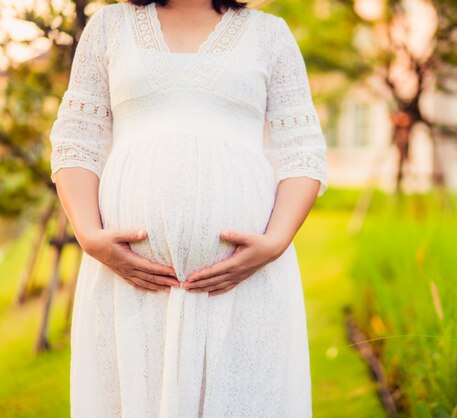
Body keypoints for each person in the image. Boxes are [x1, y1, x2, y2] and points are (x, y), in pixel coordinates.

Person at [48, 0, 328, 416]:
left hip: (244, 285)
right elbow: (77, 139)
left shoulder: (270, 34)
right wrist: (89, 235)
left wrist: (275, 242)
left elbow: (303, 152)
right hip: (128, 285)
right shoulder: (110, 26)